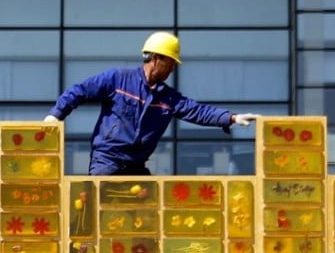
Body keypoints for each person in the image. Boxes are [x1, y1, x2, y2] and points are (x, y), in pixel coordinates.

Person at [44, 31, 259, 176]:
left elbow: (197, 111)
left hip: (137, 166)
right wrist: (56, 116)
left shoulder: (168, 98)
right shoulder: (117, 80)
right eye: (171, 63)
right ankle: (81, 245)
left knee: (147, 218)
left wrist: (231, 118)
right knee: (96, 213)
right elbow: (79, 91)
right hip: (107, 162)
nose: (173, 69)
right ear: (156, 58)